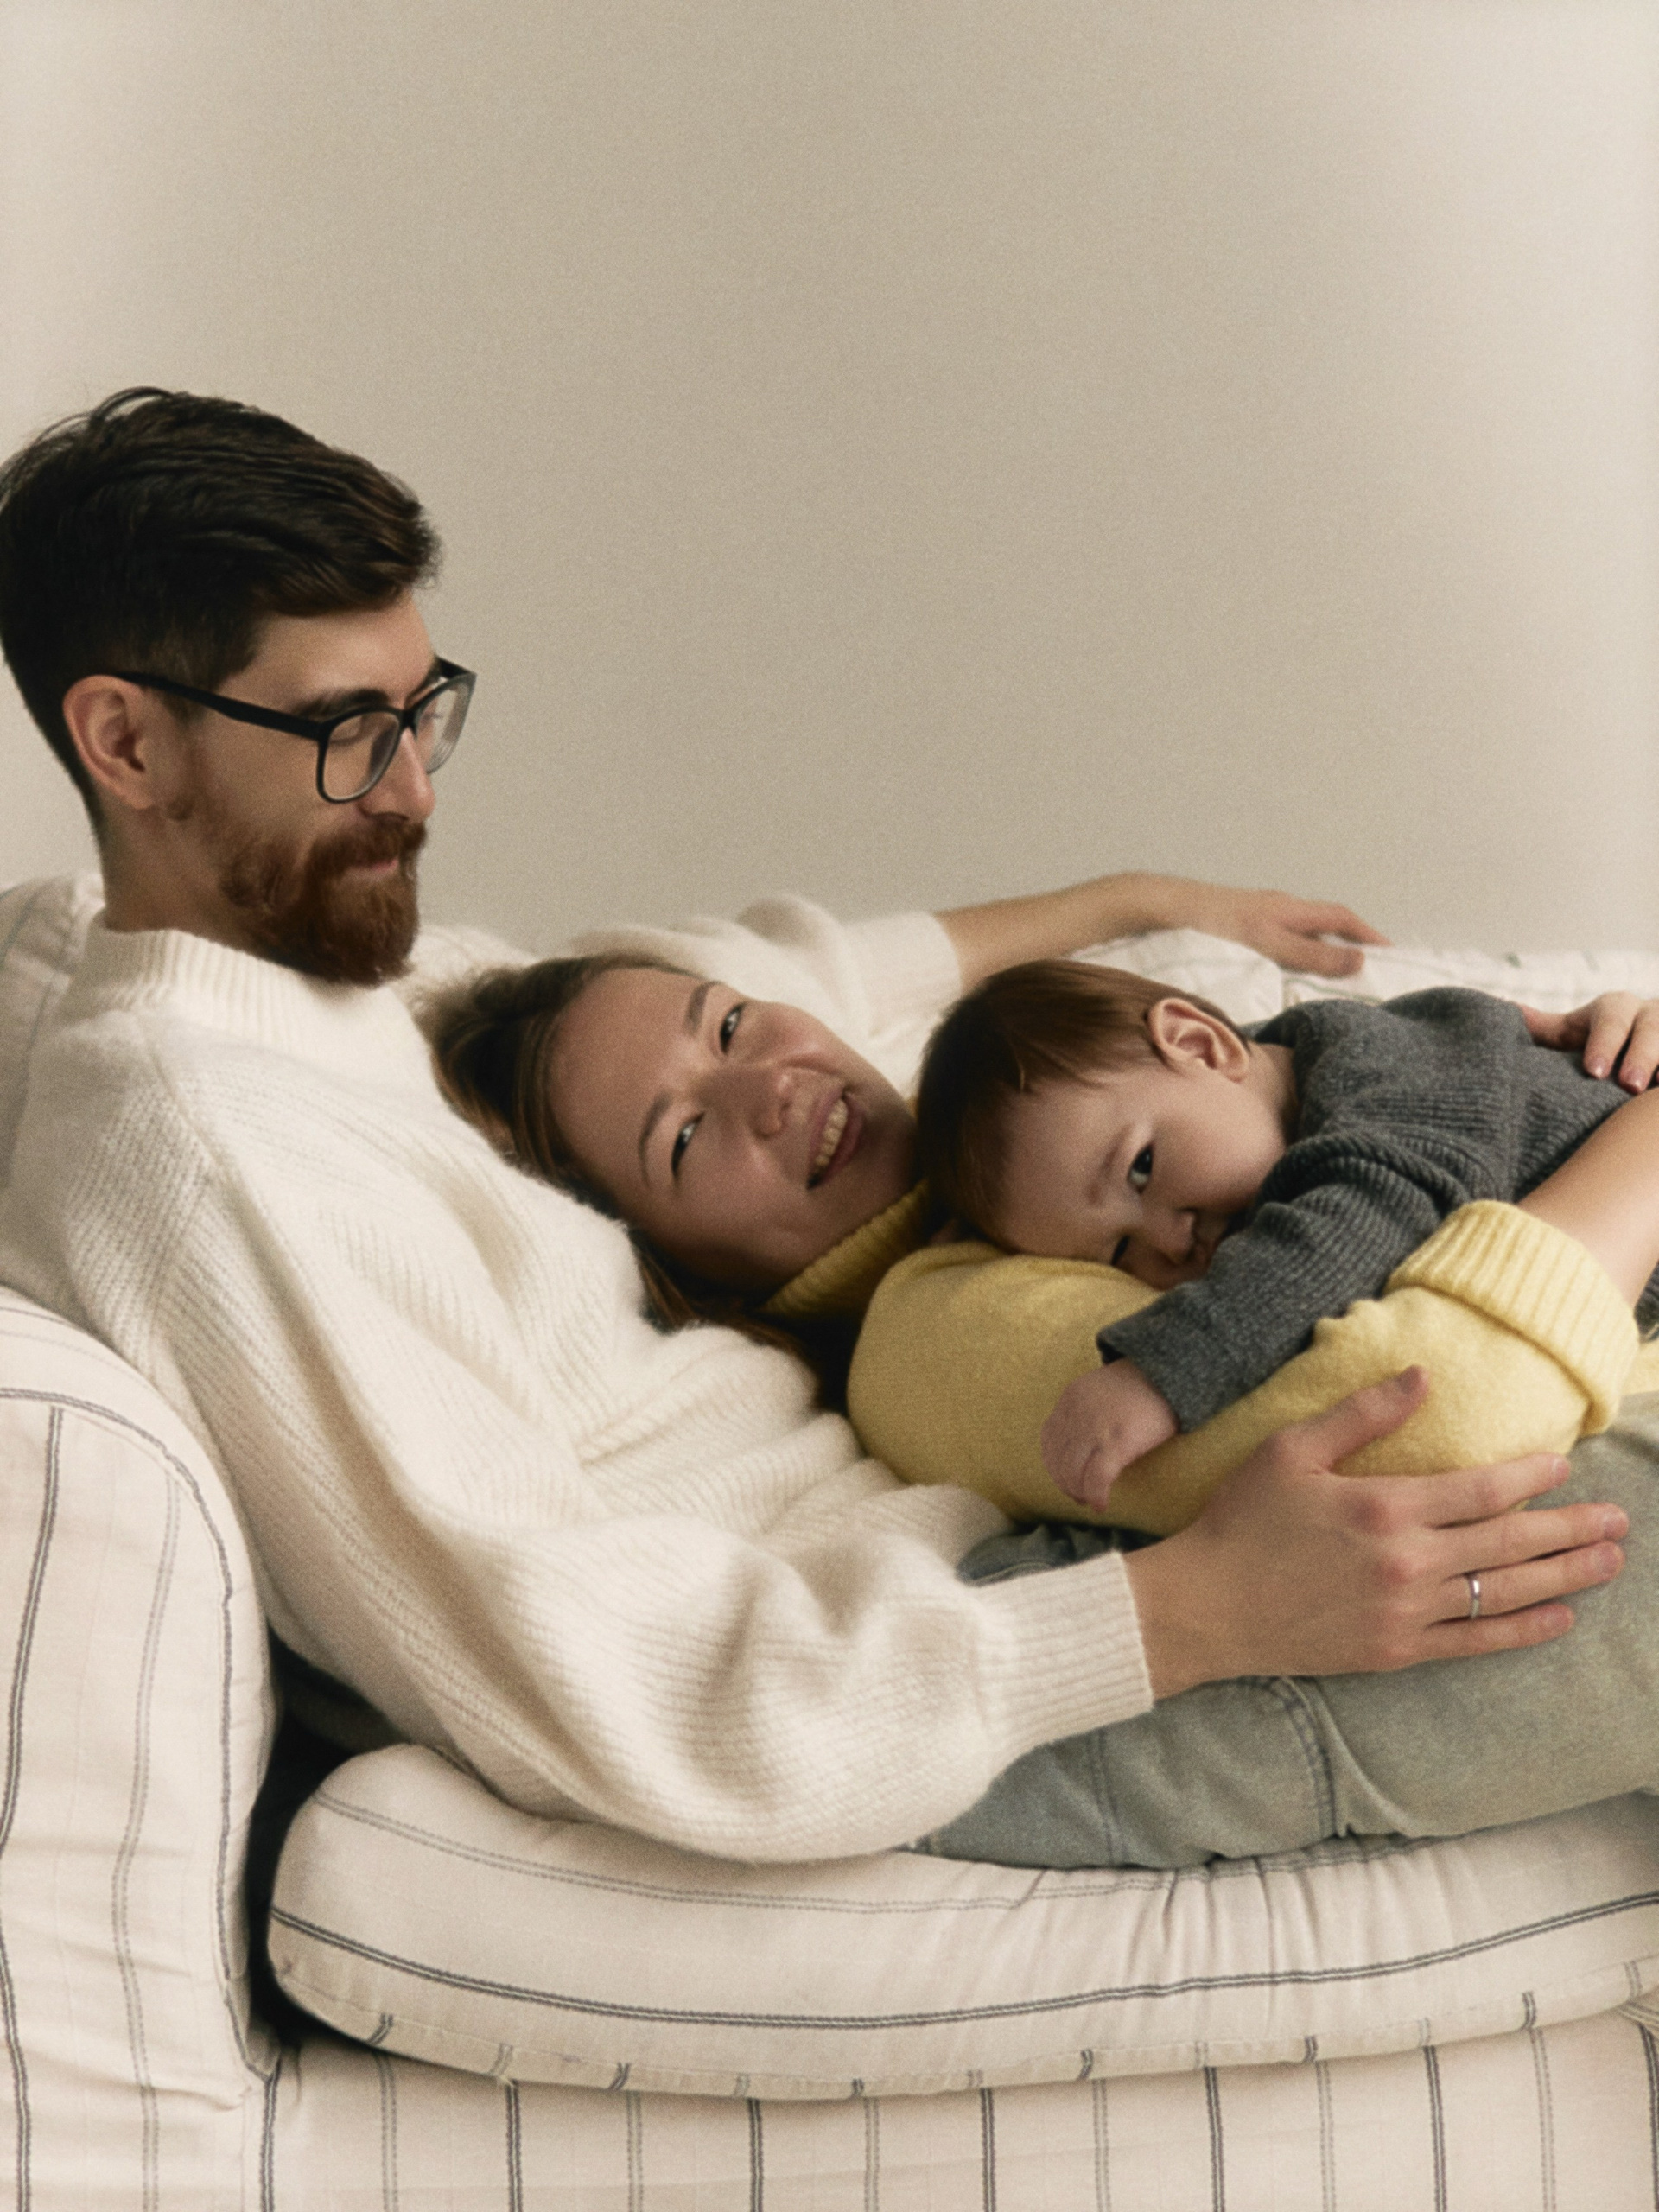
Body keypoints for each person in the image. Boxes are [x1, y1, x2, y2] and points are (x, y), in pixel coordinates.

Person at [0, 387, 1626, 1874]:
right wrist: (1180, 1615)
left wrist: (1138, 902)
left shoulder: (375, 978)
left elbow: (775, 983)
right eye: (347, 735)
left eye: (425, 711)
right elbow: (573, 1673)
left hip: (1045, 1570)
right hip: (966, 1678)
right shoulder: (197, 1151)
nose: (416, 790)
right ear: (127, 742)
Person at [909, 957, 1659, 1515]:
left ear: (1203, 1046)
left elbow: (1366, 1213)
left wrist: (1163, 1369)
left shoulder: (1385, 1072)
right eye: (1117, 1253)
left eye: (1141, 1168)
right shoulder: (1258, 1107)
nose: (1169, 1242)